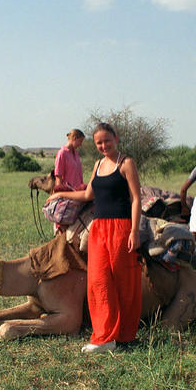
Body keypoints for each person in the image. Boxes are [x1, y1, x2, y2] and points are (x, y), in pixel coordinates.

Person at [47, 123, 142, 354]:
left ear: (116, 138)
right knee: (98, 282)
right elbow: (88, 194)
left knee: (124, 282)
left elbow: (136, 198)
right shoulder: (98, 164)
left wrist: (134, 231)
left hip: (121, 227)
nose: (103, 146)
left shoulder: (126, 163)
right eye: (99, 142)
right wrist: (60, 193)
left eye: (107, 141)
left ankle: (124, 335)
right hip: (98, 229)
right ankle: (104, 336)